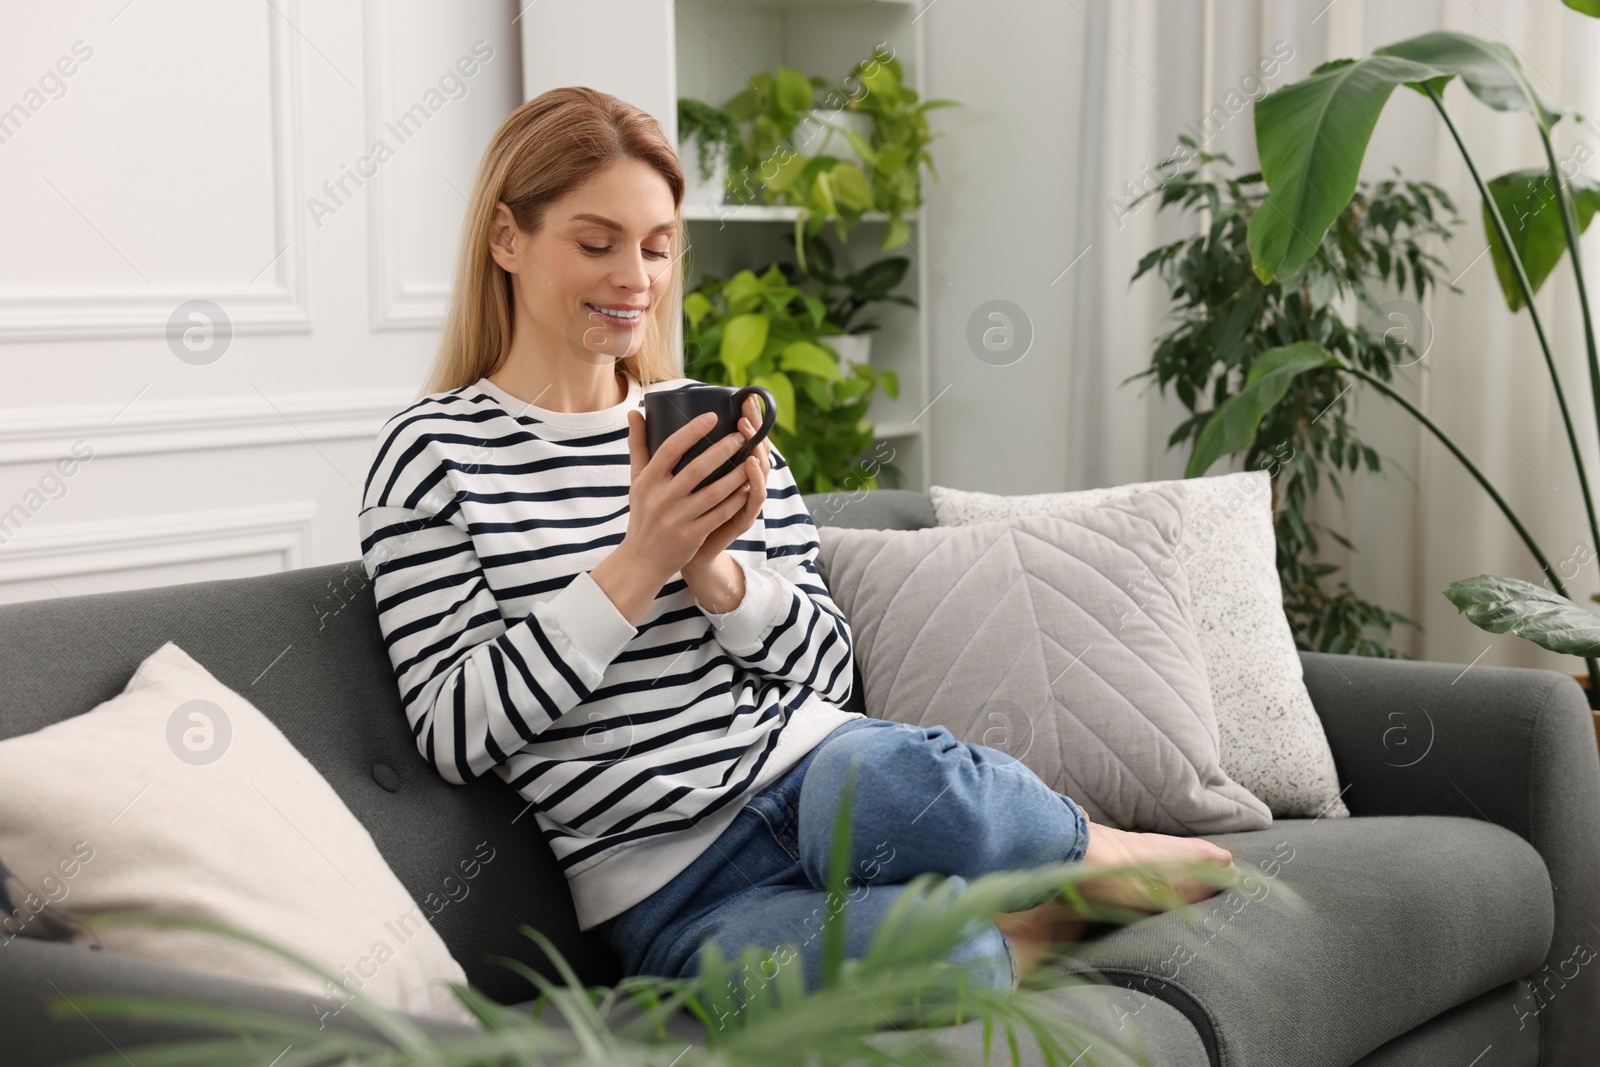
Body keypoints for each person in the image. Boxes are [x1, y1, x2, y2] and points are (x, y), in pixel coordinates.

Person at [358, 86, 1236, 997]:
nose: (635, 279)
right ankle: (1031, 919)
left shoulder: (702, 424)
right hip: (666, 889)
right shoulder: (431, 455)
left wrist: (717, 574)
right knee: (953, 964)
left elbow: (828, 671)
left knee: (906, 782)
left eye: (657, 247)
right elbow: (456, 729)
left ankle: (1103, 847)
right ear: (507, 237)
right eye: (596, 242)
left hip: (814, 775)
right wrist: (640, 561)